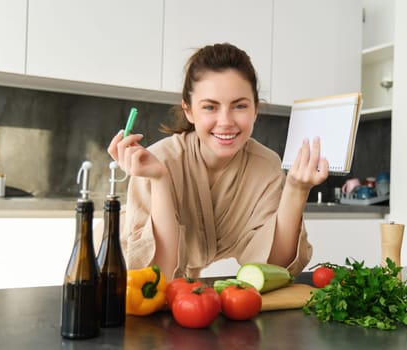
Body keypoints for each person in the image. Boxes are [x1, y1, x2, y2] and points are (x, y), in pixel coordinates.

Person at [107, 43, 329, 280]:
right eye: (210, 107)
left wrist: (296, 189)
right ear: (189, 111)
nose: (225, 121)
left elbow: (274, 267)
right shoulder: (158, 162)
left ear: (255, 110)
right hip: (114, 262)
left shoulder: (265, 166)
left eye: (240, 106)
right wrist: (160, 180)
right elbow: (156, 275)